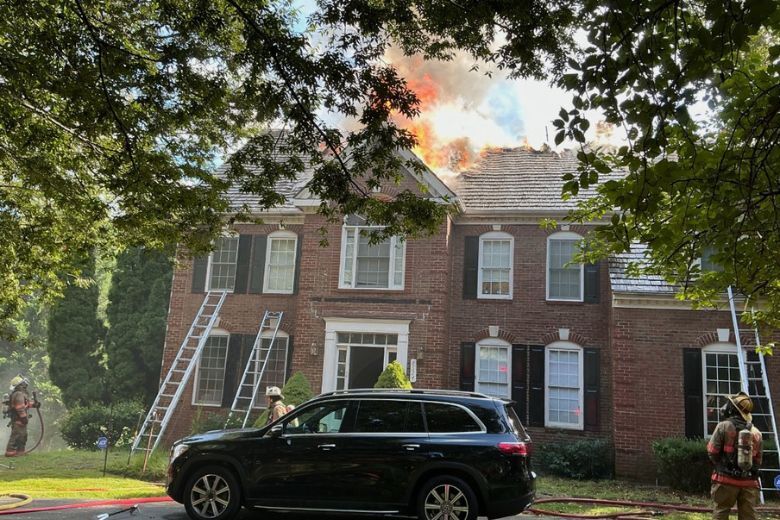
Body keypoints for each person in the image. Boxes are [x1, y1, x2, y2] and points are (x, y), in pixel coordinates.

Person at [707, 391, 763, 520]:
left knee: (721, 511)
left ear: (733, 408)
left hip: (725, 480)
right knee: (748, 516)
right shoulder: (756, 433)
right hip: (749, 483)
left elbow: (712, 451)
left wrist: (721, 465)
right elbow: (758, 460)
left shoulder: (723, 426)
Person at [4, 375, 38, 457]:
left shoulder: (21, 394)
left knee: (22, 436)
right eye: (23, 383)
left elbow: (26, 404)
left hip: (20, 419)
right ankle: (10, 452)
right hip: (18, 419)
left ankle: (20, 452)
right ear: (21, 385)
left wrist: (34, 404)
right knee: (16, 436)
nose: (25, 384)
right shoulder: (18, 394)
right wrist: (23, 417)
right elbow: (20, 407)